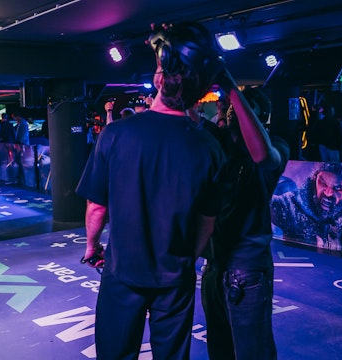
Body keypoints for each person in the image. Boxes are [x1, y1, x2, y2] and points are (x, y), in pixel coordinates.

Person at [76, 21, 226, 359]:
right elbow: (208, 219)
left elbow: (97, 207)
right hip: (175, 275)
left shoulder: (116, 135)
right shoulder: (208, 146)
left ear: (159, 80)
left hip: (123, 271)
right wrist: (188, 257)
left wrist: (92, 247)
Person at [200, 85, 288, 359]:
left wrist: (231, 89)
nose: (228, 110)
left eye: (237, 107)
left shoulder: (276, 146)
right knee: (219, 347)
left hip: (247, 265)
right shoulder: (219, 142)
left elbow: (262, 156)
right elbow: (187, 119)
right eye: (226, 105)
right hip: (214, 264)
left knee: (253, 351)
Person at [270, 162, 342, 254]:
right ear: (315, 179)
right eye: (322, 183)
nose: (328, 193)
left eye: (338, 188)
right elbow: (262, 203)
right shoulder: (291, 205)